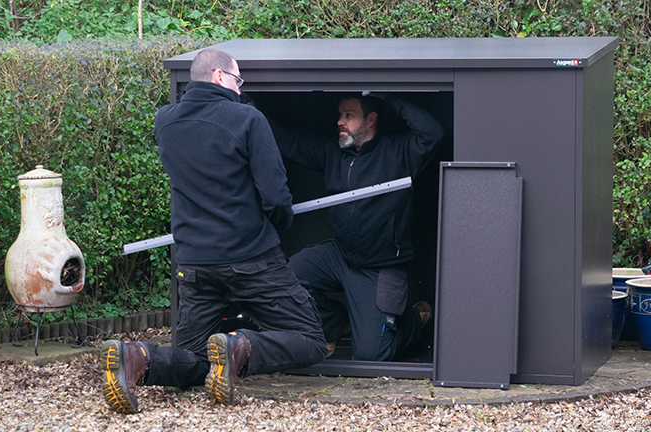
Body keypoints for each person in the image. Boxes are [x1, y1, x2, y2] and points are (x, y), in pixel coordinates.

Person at [99, 48, 327, 413]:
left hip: (194, 264)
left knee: (194, 358)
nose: (240, 89)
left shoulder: (165, 122)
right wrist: (277, 230)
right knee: (312, 340)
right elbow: (276, 196)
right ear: (221, 76)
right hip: (251, 258)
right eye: (238, 81)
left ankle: (137, 358)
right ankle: (240, 347)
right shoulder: (248, 119)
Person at [265, 92, 444, 362]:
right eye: (340, 115)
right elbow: (288, 142)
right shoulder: (333, 152)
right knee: (283, 277)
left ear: (371, 119)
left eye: (349, 115)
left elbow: (433, 133)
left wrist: (387, 96)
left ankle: (413, 319)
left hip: (380, 266)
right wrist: (250, 108)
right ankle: (336, 324)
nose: (340, 121)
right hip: (341, 256)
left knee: (372, 354)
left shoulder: (399, 151)